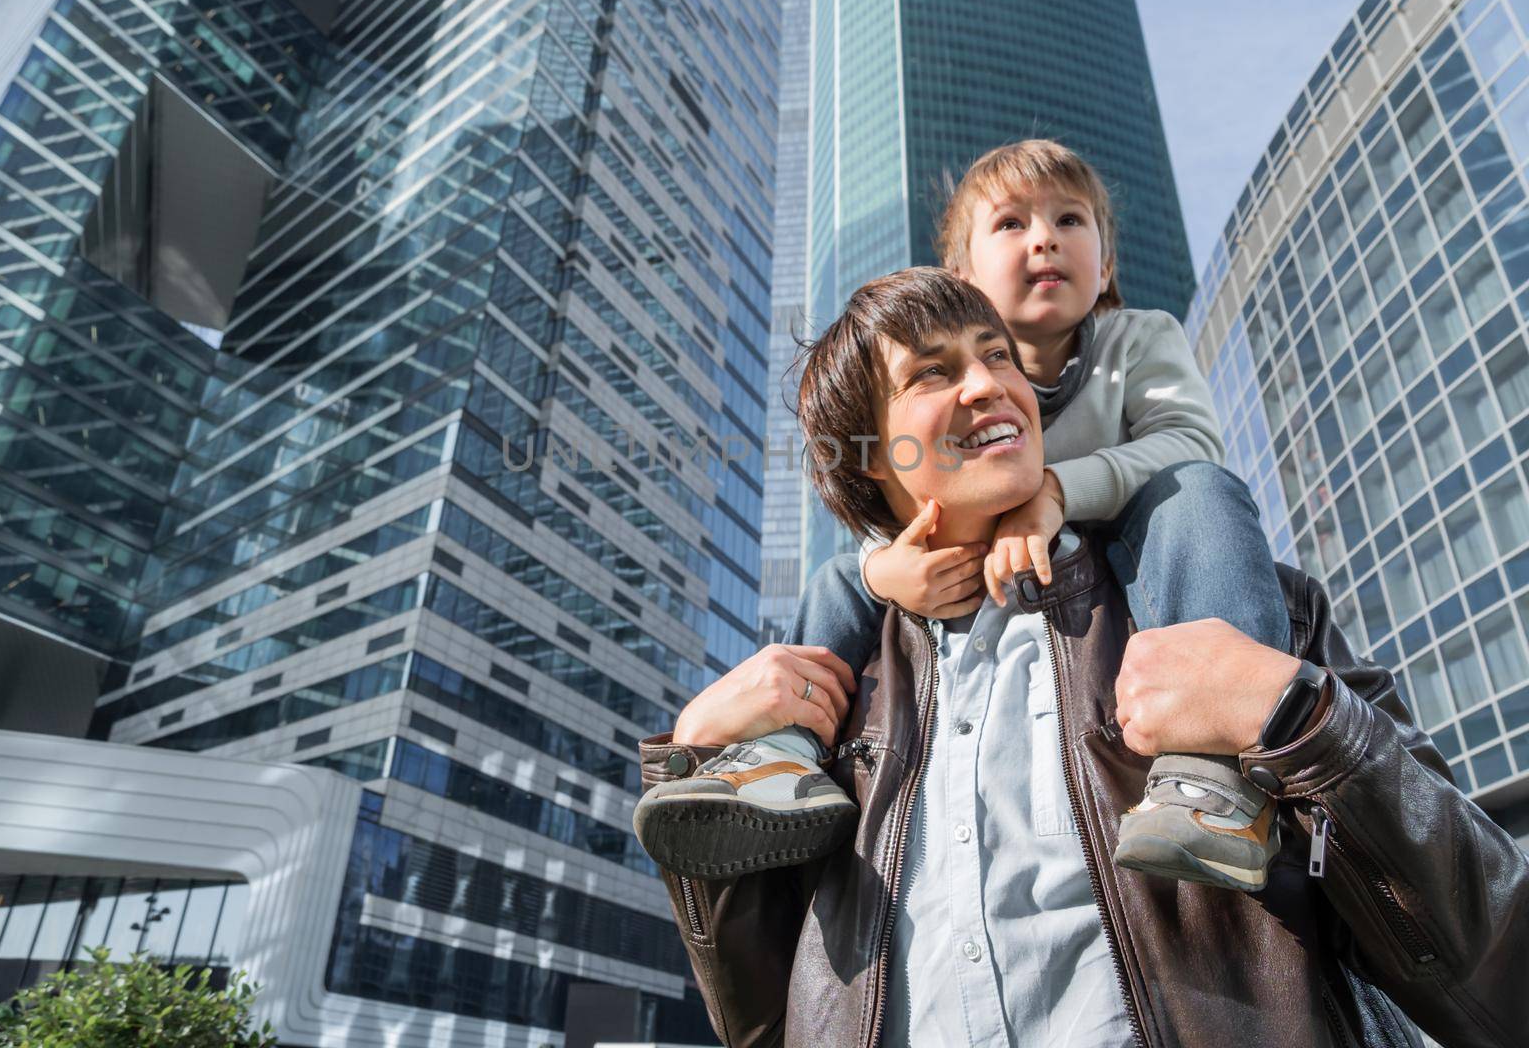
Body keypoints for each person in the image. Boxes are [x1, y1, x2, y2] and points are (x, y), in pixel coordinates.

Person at [634, 267, 1525, 1047]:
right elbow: (758, 1022)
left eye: (999, 358)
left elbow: (1492, 965)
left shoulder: (1229, 602)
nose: (991, 386)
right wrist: (693, 761)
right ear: (874, 459)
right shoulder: (835, 692)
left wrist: (1301, 724)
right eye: (933, 373)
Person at [635, 138, 1291, 893]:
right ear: (964, 281)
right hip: (994, 572)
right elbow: (906, 498)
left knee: (1199, 492)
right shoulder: (962, 384)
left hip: (1131, 555)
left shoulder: (1136, 340)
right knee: (839, 580)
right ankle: (780, 751)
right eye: (1011, 224)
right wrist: (888, 572)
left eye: (1070, 220)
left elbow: (1189, 443)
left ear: (1105, 266)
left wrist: (1051, 493)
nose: (1045, 237)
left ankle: (1221, 764)